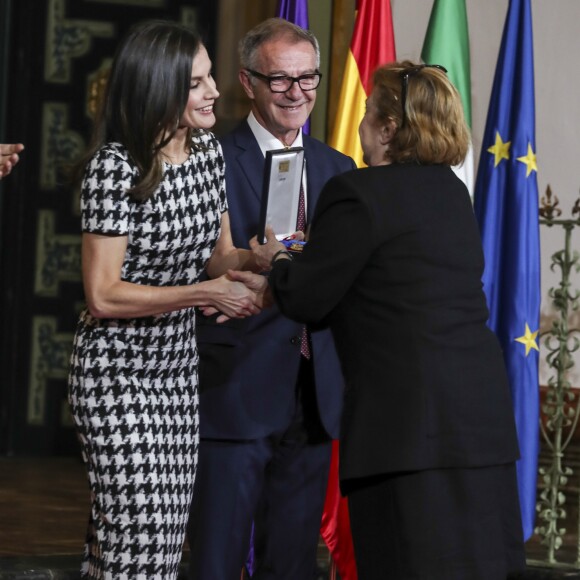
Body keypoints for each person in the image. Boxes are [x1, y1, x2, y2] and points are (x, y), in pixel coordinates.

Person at [235, 61, 526, 579]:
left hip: (406, 435)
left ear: (390, 129)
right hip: (477, 425)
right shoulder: (453, 194)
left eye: (369, 114)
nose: (362, 126)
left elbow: (306, 297)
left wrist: (276, 259)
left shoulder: (359, 193)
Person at [67, 20, 262, 579]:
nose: (214, 91)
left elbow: (219, 255)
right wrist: (204, 293)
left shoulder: (207, 154)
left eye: (209, 78)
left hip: (175, 374)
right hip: (116, 376)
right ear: (159, 87)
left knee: (157, 540)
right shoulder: (115, 167)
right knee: (137, 536)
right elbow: (103, 296)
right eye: (197, 83)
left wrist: (259, 260)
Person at [187, 17, 356, 580]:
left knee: (291, 566)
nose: (297, 93)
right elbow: (189, 267)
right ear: (247, 81)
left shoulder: (340, 170)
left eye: (308, 79)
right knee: (217, 562)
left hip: (314, 396)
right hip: (234, 389)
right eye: (280, 80)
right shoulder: (206, 159)